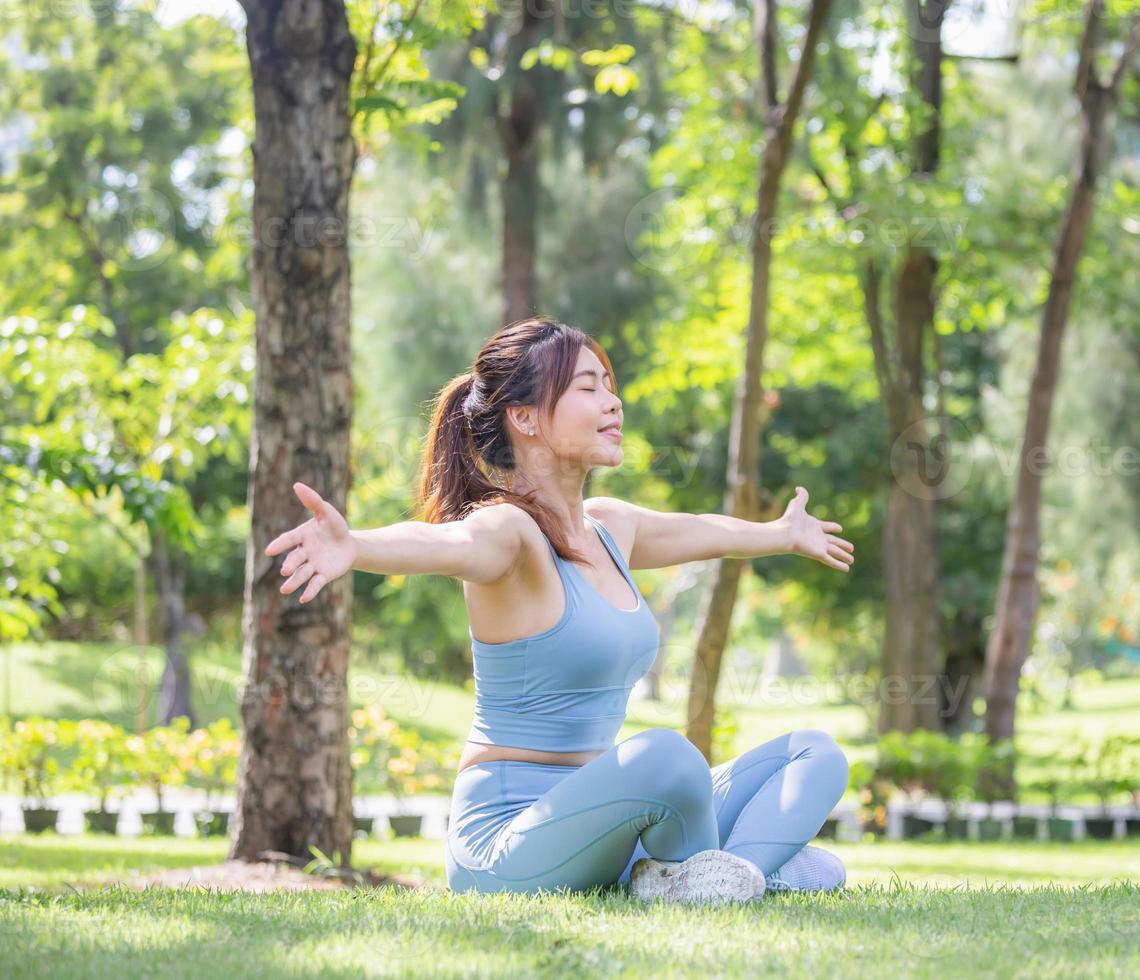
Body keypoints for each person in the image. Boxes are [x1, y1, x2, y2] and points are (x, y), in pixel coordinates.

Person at [264, 316, 856, 903]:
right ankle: (725, 873)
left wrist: (780, 533)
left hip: (607, 817)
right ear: (523, 418)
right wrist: (357, 545)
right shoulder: (508, 529)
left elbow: (704, 529)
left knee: (813, 754)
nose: (613, 401)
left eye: (610, 383)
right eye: (588, 387)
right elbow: (450, 545)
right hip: (508, 840)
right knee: (670, 757)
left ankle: (723, 879)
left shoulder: (611, 528)